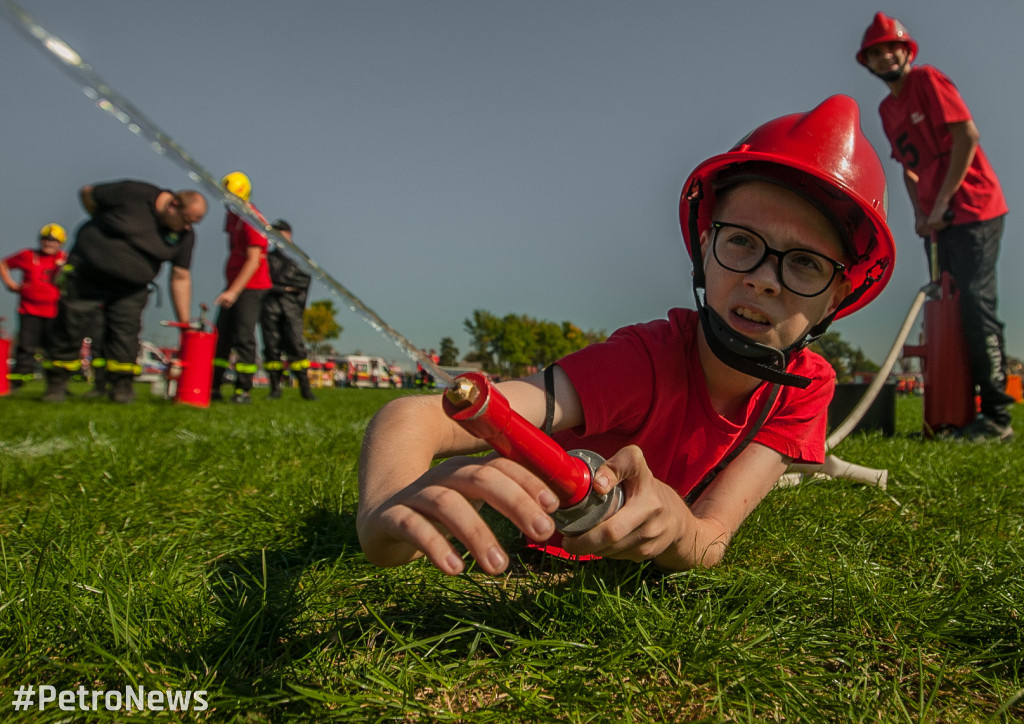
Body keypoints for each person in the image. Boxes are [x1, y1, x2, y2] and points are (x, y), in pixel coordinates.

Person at [356, 95, 896, 576]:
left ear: (838, 295)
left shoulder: (805, 386)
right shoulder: (642, 363)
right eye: (741, 242)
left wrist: (682, 531)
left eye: (804, 263)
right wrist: (383, 510)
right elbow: (413, 416)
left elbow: (711, 538)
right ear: (704, 246)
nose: (763, 278)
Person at [857, 12, 1014, 442]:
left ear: (906, 50)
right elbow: (908, 170)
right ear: (867, 63)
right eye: (876, 51)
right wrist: (920, 217)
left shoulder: (928, 81)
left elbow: (968, 137)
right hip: (938, 223)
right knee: (944, 309)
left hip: (975, 208)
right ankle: (955, 411)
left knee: (975, 305)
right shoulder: (887, 109)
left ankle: (998, 416)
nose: (885, 55)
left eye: (892, 46)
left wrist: (942, 201)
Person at [42, 181, 207, 403]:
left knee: (125, 337)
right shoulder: (132, 193)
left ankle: (121, 388)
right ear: (173, 205)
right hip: (86, 277)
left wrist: (184, 322)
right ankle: (56, 385)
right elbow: (88, 193)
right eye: (186, 220)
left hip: (130, 289)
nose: (187, 228)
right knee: (69, 328)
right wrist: (99, 220)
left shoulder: (185, 236)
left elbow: (180, 277)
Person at [211, 172, 272, 404]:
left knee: (243, 336)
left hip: (252, 286)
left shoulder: (251, 218)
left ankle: (243, 389)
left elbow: (253, 260)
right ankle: (214, 386)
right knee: (221, 336)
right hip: (235, 284)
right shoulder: (232, 216)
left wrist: (233, 292)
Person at [1, 224, 69, 391]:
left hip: (55, 312)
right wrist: (10, 284)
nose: (49, 244)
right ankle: (17, 383)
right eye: (46, 240)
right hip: (29, 311)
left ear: (60, 243)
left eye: (53, 241)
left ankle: (57, 385)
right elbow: (3, 264)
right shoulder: (27, 255)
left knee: (54, 350)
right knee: (26, 348)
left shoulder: (65, 259)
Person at [259, 219, 317, 401]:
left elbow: (303, 282)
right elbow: (263, 282)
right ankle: (275, 389)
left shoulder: (299, 259)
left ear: (289, 235)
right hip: (270, 307)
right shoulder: (267, 258)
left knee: (296, 348)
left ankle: (305, 390)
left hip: (291, 309)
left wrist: (285, 290)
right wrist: (285, 288)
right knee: (271, 348)